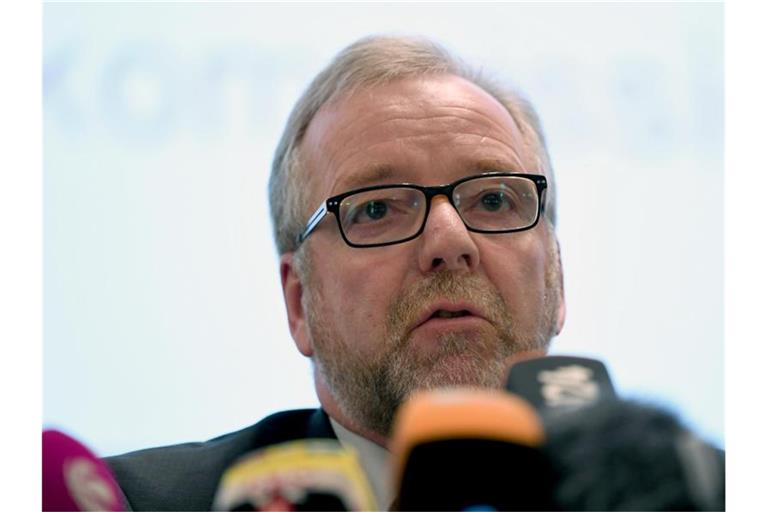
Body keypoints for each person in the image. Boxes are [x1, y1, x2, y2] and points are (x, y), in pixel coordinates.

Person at [105, 34, 566, 511]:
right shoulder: (128, 504)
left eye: (494, 200)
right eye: (376, 209)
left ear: (557, 277)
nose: (449, 242)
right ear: (299, 302)